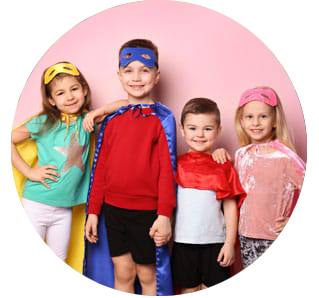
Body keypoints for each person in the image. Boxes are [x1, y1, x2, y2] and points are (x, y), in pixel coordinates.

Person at [84, 39, 176, 296]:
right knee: (122, 271)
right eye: (129, 70)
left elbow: (168, 172)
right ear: (119, 75)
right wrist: (93, 211)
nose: (136, 77)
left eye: (144, 70)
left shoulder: (162, 120)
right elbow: (100, 169)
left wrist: (164, 215)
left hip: (147, 212)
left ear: (156, 75)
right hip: (113, 210)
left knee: (148, 275)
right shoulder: (113, 121)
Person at [11, 61, 126, 264]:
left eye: (74, 89)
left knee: (59, 262)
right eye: (61, 93)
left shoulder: (86, 120)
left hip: (64, 210)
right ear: (51, 100)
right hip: (36, 204)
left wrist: (96, 112)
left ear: (84, 90)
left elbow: (128, 103)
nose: (70, 96)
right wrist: (29, 172)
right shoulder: (44, 122)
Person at [171, 98, 246, 294]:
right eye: (193, 128)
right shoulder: (175, 165)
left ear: (218, 130)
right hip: (183, 242)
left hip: (215, 243)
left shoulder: (223, 165)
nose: (200, 135)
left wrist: (230, 244)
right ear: (182, 129)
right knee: (188, 290)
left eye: (207, 128)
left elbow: (230, 208)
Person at [234, 86, 306, 268]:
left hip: (274, 238)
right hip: (245, 236)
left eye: (263, 116)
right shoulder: (241, 154)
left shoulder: (285, 157)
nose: (256, 122)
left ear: (274, 120)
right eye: (249, 117)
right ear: (241, 120)